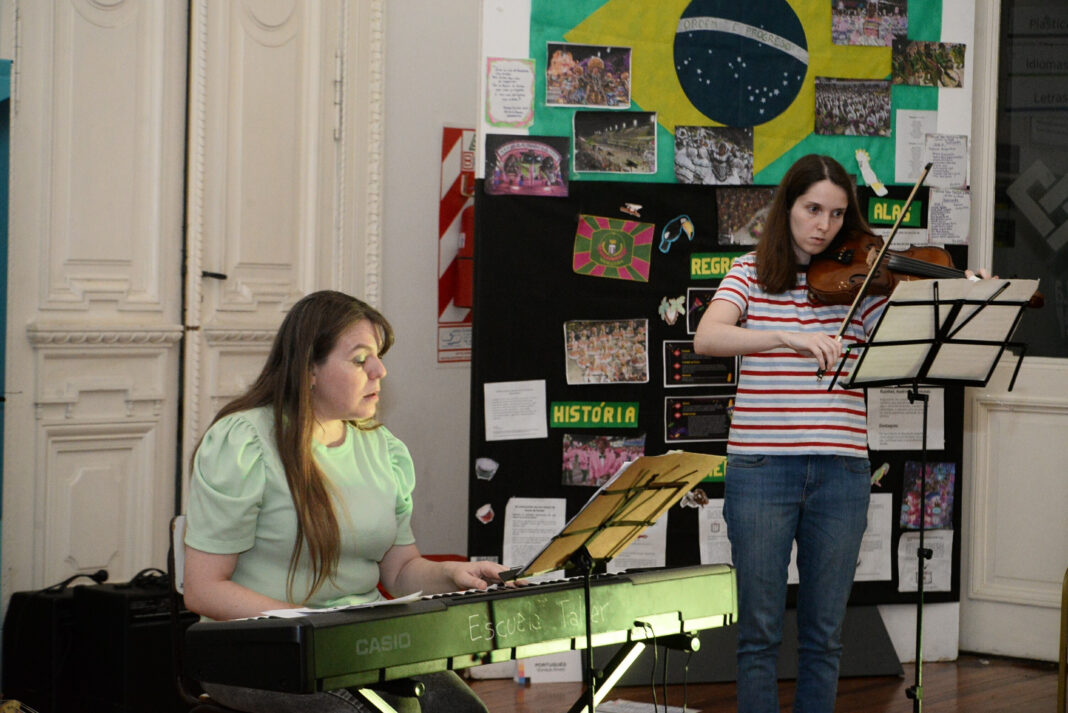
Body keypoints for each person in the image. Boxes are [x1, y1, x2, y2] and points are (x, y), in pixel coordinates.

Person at [694, 154, 986, 713]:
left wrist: (961, 294)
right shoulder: (748, 271)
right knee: (758, 636)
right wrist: (787, 338)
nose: (823, 226)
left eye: (835, 213)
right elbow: (709, 337)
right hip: (762, 469)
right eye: (811, 209)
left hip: (841, 470)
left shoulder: (867, 284)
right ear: (788, 207)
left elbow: (915, 342)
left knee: (825, 637)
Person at [183, 290, 508, 713]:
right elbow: (203, 590)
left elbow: (400, 571)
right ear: (309, 370)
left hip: (360, 645)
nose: (380, 370)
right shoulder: (243, 442)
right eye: (360, 359)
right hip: (257, 650)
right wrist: (312, 626)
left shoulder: (382, 448)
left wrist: (454, 573)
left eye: (378, 356)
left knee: (462, 711)